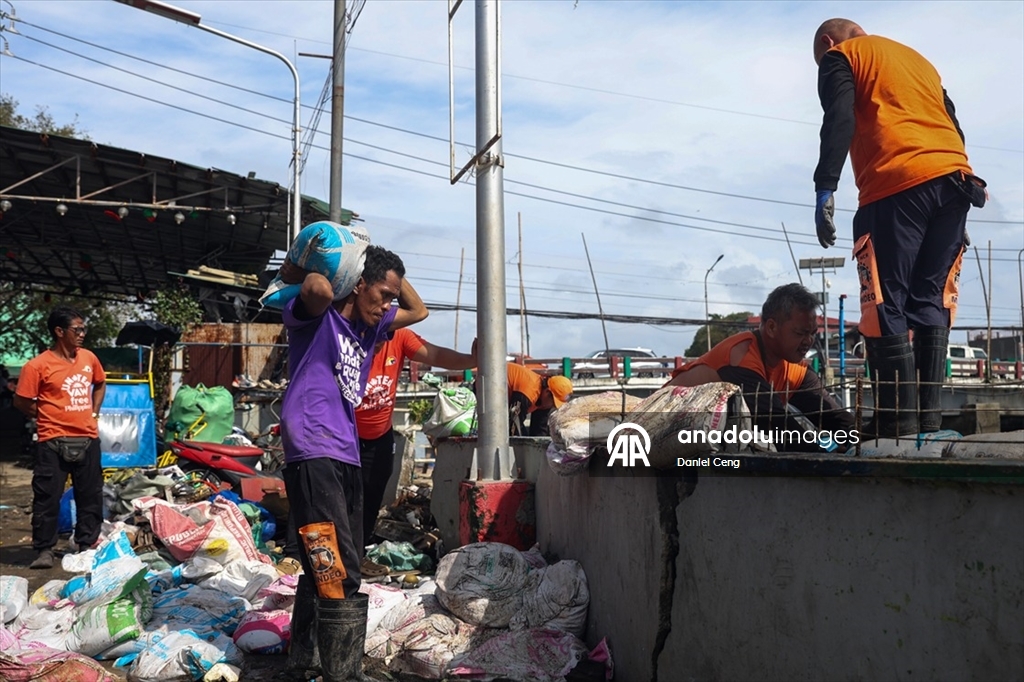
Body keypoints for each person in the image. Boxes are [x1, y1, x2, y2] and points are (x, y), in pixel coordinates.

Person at [811, 18, 985, 436]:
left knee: (884, 300)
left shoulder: (841, 56)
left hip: (895, 184)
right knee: (930, 299)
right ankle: (928, 422)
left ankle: (895, 424)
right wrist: (953, 204)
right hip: (955, 180)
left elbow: (839, 117)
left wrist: (825, 186)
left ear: (828, 42)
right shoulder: (920, 62)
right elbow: (953, 126)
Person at [280, 245, 427, 682]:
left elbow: (418, 311)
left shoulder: (371, 325)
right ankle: (341, 674)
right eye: (382, 294)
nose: (387, 305)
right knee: (337, 565)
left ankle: (304, 661)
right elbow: (317, 288)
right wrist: (347, 257)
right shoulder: (316, 317)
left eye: (391, 298)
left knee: (326, 560)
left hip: (345, 449)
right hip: (312, 445)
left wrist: (389, 273)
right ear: (358, 284)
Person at [668, 284, 854, 452]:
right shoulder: (741, 359)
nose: (809, 341)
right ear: (771, 327)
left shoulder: (795, 368)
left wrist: (862, 438)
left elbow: (833, 418)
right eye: (800, 333)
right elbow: (778, 427)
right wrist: (825, 451)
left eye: (812, 333)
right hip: (667, 435)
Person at [356, 331, 477, 547]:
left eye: (386, 332)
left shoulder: (399, 336)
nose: (381, 339)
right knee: (341, 498)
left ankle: (357, 552)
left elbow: (436, 354)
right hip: (344, 435)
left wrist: (472, 360)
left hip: (380, 437)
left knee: (372, 498)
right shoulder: (343, 333)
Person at [13, 306, 106, 569]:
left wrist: (94, 412)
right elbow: (21, 400)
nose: (82, 334)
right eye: (77, 329)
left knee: (90, 495)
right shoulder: (37, 366)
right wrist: (46, 414)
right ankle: (44, 550)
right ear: (59, 331)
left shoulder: (89, 358)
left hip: (87, 438)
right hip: (52, 441)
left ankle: (86, 545)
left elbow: (100, 383)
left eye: (83, 329)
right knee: (47, 497)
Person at [506, 362, 573, 437]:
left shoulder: (543, 400)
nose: (552, 407)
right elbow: (513, 425)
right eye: (553, 403)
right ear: (547, 392)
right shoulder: (529, 391)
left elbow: (539, 430)